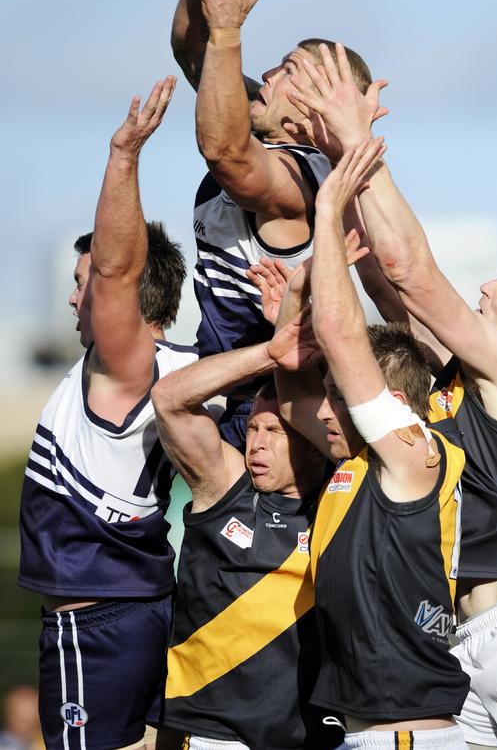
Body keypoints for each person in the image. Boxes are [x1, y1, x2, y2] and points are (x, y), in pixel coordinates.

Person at [286, 44, 497, 750]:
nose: (485, 287)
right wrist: (338, 164)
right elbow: (388, 287)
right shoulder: (460, 375)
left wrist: (359, 144)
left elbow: (411, 271)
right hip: (460, 645)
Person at [271, 141, 470, 750]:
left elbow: (339, 333)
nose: (324, 409)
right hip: (368, 733)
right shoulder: (354, 463)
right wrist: (292, 298)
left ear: (390, 401)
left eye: (340, 395)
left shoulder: (414, 453)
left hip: (408, 736)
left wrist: (327, 211)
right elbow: (287, 392)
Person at [18, 78, 197, 750]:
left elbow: (119, 273)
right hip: (142, 610)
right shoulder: (178, 364)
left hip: (94, 627)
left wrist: (124, 155)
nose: (74, 300)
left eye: (81, 283)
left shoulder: (123, 362)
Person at [174, 0, 383, 451]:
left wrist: (227, 28)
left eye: (286, 69)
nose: (266, 73)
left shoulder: (306, 174)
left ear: (316, 105)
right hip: (234, 396)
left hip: (278, 414)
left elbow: (226, 155)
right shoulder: (268, 131)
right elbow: (193, 51)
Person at [150, 319, 344, 750]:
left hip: (309, 736)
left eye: (274, 431)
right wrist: (272, 352)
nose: (256, 443)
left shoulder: (346, 499)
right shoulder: (226, 487)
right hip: (209, 734)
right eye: (253, 428)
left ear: (316, 442)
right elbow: (168, 400)